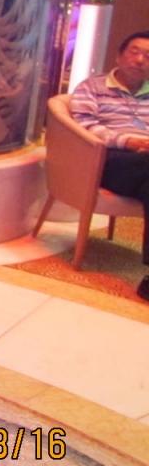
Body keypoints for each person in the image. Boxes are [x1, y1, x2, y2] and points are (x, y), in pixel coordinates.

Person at [69, 29, 149, 301]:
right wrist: (128, 141)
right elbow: (85, 125)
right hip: (107, 159)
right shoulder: (92, 87)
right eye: (135, 52)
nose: (140, 60)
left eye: (148, 56)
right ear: (119, 56)